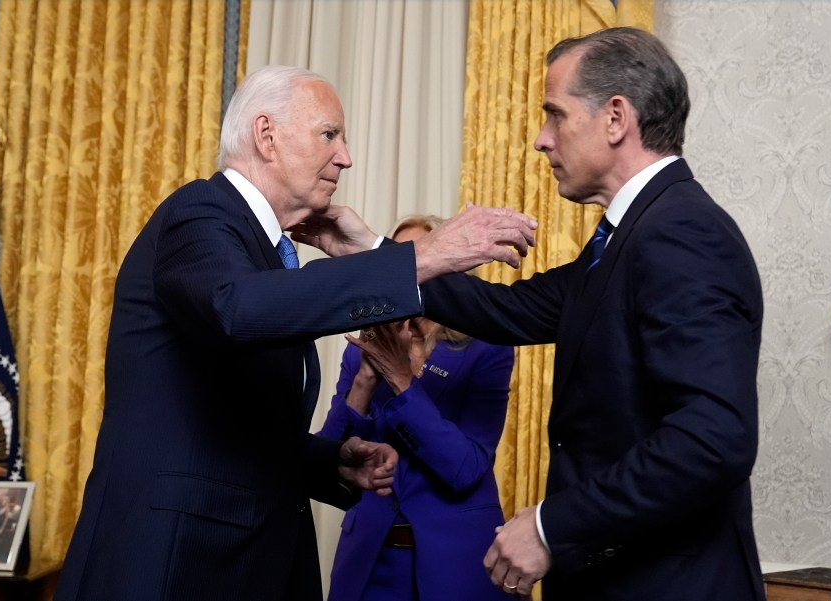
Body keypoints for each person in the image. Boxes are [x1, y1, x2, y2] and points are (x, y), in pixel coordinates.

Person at [302, 27, 766, 601]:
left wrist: (553, 525)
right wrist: (372, 249)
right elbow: (506, 309)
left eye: (555, 114)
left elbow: (713, 441)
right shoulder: (634, 235)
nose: (541, 140)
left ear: (616, 118)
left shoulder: (681, 234)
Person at [53, 65, 536, 601]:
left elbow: (232, 426)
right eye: (330, 134)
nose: (346, 157)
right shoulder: (201, 211)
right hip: (177, 561)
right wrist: (424, 257)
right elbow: (235, 310)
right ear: (267, 135)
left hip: (247, 559)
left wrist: (328, 463)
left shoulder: (262, 250)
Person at [320, 215, 514, 601]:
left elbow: (465, 468)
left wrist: (401, 379)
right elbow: (327, 460)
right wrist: (364, 381)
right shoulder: (363, 347)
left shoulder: (487, 348)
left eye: (418, 261)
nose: (406, 275)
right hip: (369, 561)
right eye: (397, 264)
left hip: (455, 562)